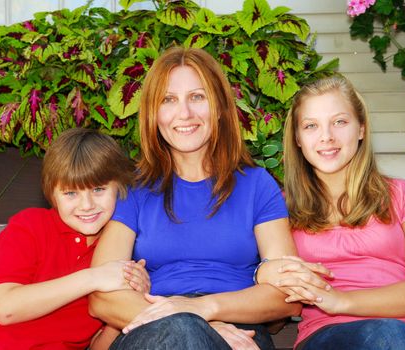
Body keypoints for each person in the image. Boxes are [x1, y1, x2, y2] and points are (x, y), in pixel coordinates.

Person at [88, 47, 330, 350]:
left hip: (239, 332)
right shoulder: (134, 189)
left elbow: (286, 297)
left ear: (218, 107)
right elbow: (101, 297)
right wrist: (193, 322)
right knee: (183, 332)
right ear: (153, 112)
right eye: (169, 100)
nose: (184, 113)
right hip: (151, 328)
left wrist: (205, 310)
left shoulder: (256, 185)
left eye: (197, 97)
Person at [257, 75, 405, 349]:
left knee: (390, 335)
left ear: (361, 129)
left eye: (340, 122)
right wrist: (264, 274)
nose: (327, 136)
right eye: (311, 126)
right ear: (298, 139)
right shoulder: (278, 208)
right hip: (327, 337)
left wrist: (340, 301)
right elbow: (275, 317)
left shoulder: (404, 195)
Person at [0, 128, 150, 350]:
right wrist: (94, 278)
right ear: (52, 194)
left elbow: (97, 346)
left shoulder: (113, 254)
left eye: (98, 189)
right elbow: (5, 308)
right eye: (71, 193)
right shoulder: (31, 227)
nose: (86, 205)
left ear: (120, 188)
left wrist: (123, 304)